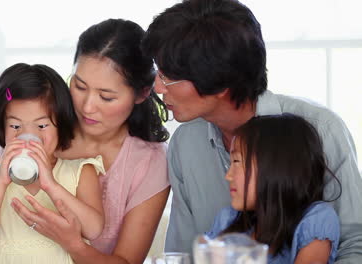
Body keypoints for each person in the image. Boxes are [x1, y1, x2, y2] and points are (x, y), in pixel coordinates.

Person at [142, 0, 362, 262]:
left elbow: (355, 245)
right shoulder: (185, 143)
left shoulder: (321, 130)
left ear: (219, 82)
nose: (157, 87)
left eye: (169, 77)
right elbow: (184, 252)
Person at [0, 18, 171, 264]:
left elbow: (125, 260)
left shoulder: (150, 161)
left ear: (142, 93)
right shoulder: (37, 134)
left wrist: (73, 245)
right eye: (79, 86)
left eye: (106, 97)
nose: (87, 107)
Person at [0, 63, 105, 263]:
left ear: (61, 124)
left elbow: (94, 230)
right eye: (15, 125)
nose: (29, 136)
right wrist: (1, 181)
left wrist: (50, 185)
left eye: (42, 125)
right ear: (1, 128)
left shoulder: (80, 172)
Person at [207, 114, 341, 263]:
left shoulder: (316, 219)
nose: (228, 176)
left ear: (275, 167)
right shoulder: (227, 219)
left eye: (237, 161)